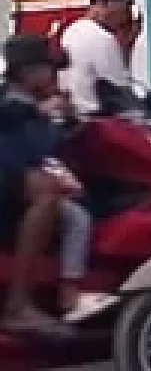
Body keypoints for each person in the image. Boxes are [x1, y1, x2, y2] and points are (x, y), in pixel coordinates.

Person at [0, 34, 93, 333]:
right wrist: (54, 120)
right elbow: (35, 153)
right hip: (9, 189)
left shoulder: (26, 105)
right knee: (48, 195)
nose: (54, 75)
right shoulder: (17, 107)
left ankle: (68, 292)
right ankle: (19, 303)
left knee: (75, 213)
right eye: (48, 69)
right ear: (28, 73)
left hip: (13, 182)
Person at [61, 0, 141, 115]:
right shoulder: (101, 38)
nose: (129, 13)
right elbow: (123, 96)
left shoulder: (71, 31)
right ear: (105, 2)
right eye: (127, 5)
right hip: (98, 121)